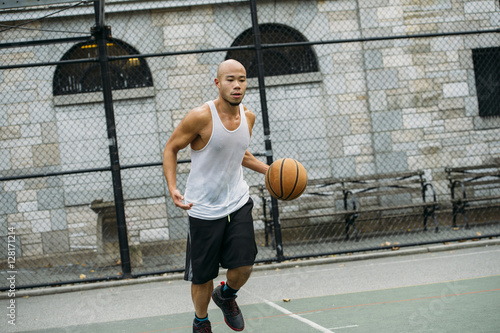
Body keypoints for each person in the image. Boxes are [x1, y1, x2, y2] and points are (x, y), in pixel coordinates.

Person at [162, 59, 269, 332]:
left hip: (237, 202)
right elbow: (171, 148)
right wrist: (173, 187)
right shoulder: (200, 117)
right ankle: (201, 321)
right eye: (230, 79)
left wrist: (270, 170)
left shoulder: (248, 117)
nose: (236, 85)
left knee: (244, 266)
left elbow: (239, 152)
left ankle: (226, 296)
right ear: (218, 83)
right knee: (203, 276)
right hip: (203, 208)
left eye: (242, 79)